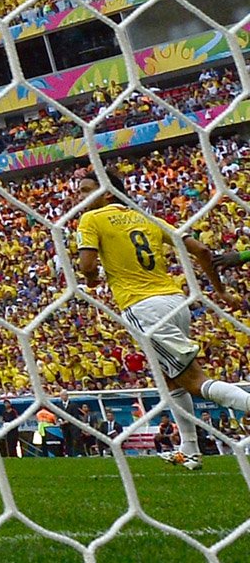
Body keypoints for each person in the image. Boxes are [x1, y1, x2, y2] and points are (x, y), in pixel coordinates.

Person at [75, 168, 244, 472]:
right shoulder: (147, 218)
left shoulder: (91, 219)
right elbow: (202, 251)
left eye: (86, 191)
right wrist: (219, 289)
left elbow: (87, 264)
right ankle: (190, 451)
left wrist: (91, 279)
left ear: (108, 193)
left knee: (193, 380)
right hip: (175, 302)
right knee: (170, 379)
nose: (80, 198)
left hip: (143, 308)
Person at [57, 390, 84, 457]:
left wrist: (68, 421)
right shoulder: (59, 405)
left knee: (76, 439)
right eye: (62, 396)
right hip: (64, 426)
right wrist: (60, 421)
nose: (63, 397)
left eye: (64, 395)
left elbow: (76, 415)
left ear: (67, 396)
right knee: (67, 439)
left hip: (73, 425)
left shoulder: (73, 405)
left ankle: (79, 453)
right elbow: (58, 414)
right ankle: (68, 453)